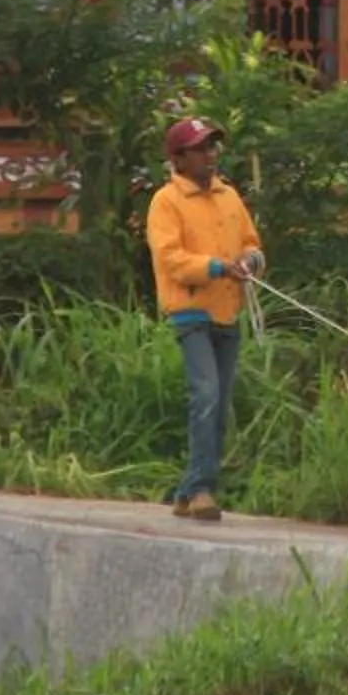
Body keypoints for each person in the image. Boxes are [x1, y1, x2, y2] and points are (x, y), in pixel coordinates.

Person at [145, 115, 263, 520]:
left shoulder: (230, 197)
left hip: (228, 311)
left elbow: (250, 241)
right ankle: (202, 489)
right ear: (178, 158)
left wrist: (251, 259)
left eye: (213, 147)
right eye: (200, 149)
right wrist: (216, 267)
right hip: (190, 311)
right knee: (206, 395)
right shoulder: (166, 202)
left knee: (220, 401)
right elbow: (171, 259)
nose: (210, 155)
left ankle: (187, 490)